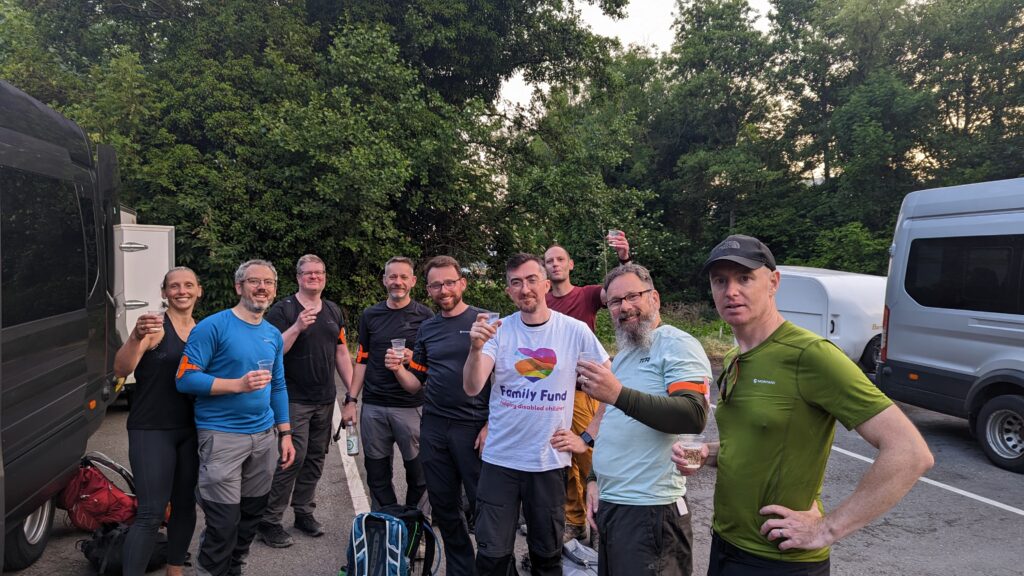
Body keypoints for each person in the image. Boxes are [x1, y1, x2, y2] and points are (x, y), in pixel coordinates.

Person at [676, 234, 934, 575]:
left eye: (745, 278)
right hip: (725, 546)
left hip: (781, 562)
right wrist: (707, 454)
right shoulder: (735, 358)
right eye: (720, 281)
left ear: (773, 282)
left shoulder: (811, 355)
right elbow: (759, 441)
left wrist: (828, 528)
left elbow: (911, 453)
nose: (731, 291)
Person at [464, 253, 608, 576]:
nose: (524, 288)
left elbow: (611, 387)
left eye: (531, 280)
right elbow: (473, 386)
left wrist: (586, 436)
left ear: (545, 284)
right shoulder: (498, 331)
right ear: (508, 291)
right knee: (492, 556)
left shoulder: (574, 331)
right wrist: (475, 349)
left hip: (547, 462)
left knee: (547, 557)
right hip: (500, 460)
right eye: (516, 282)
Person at [575, 263, 710, 576]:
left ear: (655, 299)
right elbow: (611, 424)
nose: (625, 307)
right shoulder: (624, 356)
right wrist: (595, 478)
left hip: (651, 513)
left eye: (632, 296)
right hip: (613, 507)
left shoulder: (676, 343)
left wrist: (618, 393)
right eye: (615, 302)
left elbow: (693, 415)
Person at [176, 259, 295, 576]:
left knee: (251, 517)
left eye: (268, 282)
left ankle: (235, 569)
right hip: (222, 437)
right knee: (223, 523)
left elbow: (278, 385)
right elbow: (185, 379)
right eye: (254, 281)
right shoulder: (213, 327)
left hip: (264, 437)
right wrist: (236, 385)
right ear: (238, 286)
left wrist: (285, 434)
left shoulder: (272, 334)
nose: (262, 287)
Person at [385, 256, 489, 576]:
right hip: (434, 426)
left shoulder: (483, 322)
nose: (443, 290)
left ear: (462, 283)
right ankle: (462, 571)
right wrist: (398, 369)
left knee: (484, 508)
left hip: (473, 427)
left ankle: (494, 568)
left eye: (448, 283)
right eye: (435, 284)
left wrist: (491, 424)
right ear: (427, 288)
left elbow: (504, 381)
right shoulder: (427, 328)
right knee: (444, 508)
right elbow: (418, 382)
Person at [257, 255, 354, 547]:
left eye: (319, 273)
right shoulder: (283, 310)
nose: (314, 277)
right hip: (293, 398)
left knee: (315, 459)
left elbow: (341, 353)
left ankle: (303, 513)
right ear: (298, 277)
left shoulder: (334, 310)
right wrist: (298, 326)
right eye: (308, 273)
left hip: (325, 399)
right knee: (291, 459)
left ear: (325, 277)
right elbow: (274, 351)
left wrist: (352, 394)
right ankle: (270, 520)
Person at [114, 267, 202, 576]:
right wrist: (135, 336)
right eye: (174, 286)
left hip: (191, 430)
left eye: (188, 285)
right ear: (164, 293)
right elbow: (121, 368)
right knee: (151, 512)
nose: (182, 291)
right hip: (151, 428)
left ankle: (174, 568)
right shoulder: (153, 327)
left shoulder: (204, 331)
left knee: (184, 504)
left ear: (198, 290)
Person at [543, 235, 631, 542]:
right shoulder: (543, 302)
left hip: (583, 392)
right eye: (549, 261)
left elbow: (621, 290)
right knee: (563, 457)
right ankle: (575, 520)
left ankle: (606, 519)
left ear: (570, 264)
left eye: (559, 259)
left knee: (589, 456)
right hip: (552, 394)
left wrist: (623, 260)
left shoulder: (587, 294)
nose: (554, 264)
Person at [343, 256, 433, 511]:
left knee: (419, 474)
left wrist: (411, 357)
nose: (398, 282)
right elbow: (361, 360)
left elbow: (429, 361)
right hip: (374, 406)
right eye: (392, 276)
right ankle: (385, 525)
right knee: (377, 473)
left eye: (404, 277)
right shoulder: (370, 315)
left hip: (411, 406)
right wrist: (351, 400)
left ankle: (416, 530)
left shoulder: (425, 316)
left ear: (413, 281)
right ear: (384, 280)